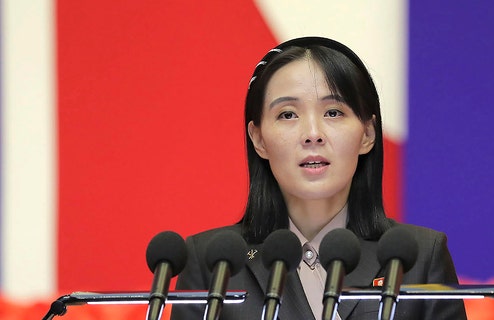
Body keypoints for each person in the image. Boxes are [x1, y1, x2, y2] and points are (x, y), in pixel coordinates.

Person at [171, 36, 467, 320]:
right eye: (288, 115)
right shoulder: (212, 263)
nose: (313, 134)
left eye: (334, 112)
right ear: (258, 138)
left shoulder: (421, 257)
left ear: (367, 134)